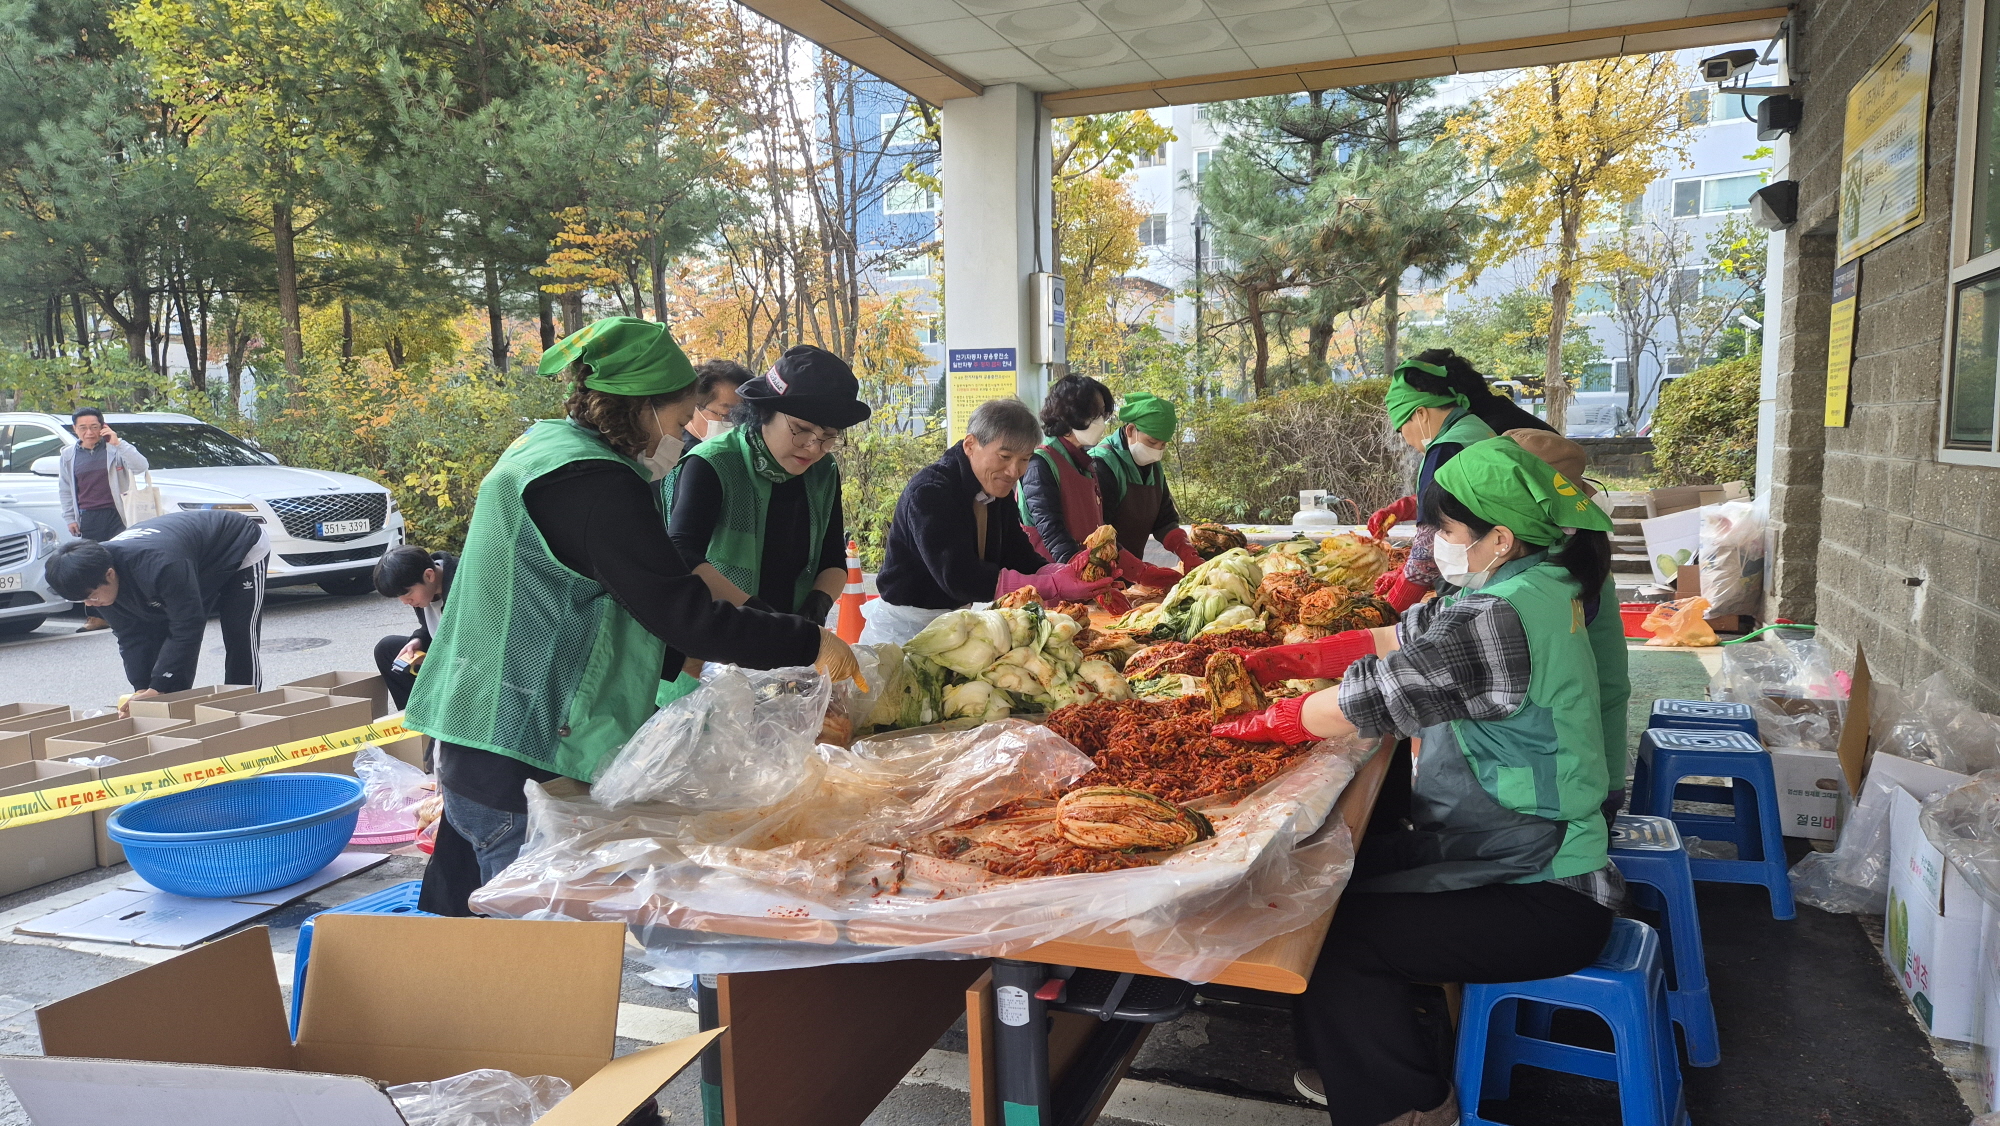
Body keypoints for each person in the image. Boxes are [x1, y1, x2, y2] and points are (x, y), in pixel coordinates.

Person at [1211, 438, 1622, 1126]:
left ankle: (1412, 1107)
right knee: (1324, 879)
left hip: (1547, 888)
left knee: (1334, 939)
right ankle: (1349, 1059)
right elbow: (1400, 639)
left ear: (1498, 536)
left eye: (1448, 529)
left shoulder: (1502, 615)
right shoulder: (1529, 583)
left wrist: (1273, 720)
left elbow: (1374, 700)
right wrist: (1288, 658)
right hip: (1509, 847)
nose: (1435, 542)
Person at [403, 316, 858, 915]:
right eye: (675, 422)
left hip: (477, 738)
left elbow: (625, 605)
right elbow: (681, 610)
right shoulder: (593, 482)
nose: (676, 438)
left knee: (462, 936)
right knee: (533, 967)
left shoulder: (548, 448)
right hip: (520, 751)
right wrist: (805, 642)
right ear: (643, 409)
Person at [862, 398, 1117, 645]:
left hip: (955, 625)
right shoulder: (931, 492)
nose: (1014, 471)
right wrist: (1052, 585)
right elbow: (960, 577)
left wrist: (1067, 573)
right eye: (1005, 457)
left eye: (1024, 459)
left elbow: (1020, 557)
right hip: (904, 630)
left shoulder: (995, 489)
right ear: (970, 445)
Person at [668, 346, 866, 628]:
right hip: (719, 631)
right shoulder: (712, 463)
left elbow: (832, 557)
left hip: (791, 634)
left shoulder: (823, 470)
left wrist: (819, 602)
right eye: (801, 428)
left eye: (828, 436)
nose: (813, 447)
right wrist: (753, 611)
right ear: (764, 411)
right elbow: (682, 553)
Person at [1367, 350, 1554, 612]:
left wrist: (1388, 612)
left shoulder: (1447, 447)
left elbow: (1427, 553)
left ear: (1420, 414)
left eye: (1402, 430)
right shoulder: (1475, 427)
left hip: (1483, 571)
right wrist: (1405, 509)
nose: (1406, 440)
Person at [43, 509, 271, 711]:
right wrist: (144, 690)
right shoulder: (96, 578)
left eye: (91, 596)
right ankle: (174, 709)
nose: (90, 605)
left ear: (110, 574)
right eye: (83, 600)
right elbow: (131, 636)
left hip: (237, 545)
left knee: (239, 631)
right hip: (191, 559)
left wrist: (161, 683)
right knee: (154, 646)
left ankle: (246, 705)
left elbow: (187, 626)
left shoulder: (160, 566)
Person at [1019, 376, 1180, 591]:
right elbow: (1053, 533)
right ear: (1070, 415)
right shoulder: (1040, 464)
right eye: (1095, 415)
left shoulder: (1086, 464)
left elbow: (1100, 535)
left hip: (1082, 588)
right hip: (1049, 589)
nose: (1101, 423)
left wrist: (1139, 571)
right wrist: (1084, 579)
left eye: (1102, 415)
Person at [1089, 392, 1204, 574]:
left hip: (1131, 574)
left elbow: (1164, 520)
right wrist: (1140, 571)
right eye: (1152, 441)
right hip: (1100, 573)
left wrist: (1186, 550)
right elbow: (1098, 534)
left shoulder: (1153, 467)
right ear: (1130, 430)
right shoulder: (1101, 464)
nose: (1157, 451)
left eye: (1163, 445)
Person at [58, 407, 150, 632]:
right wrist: (70, 517)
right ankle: (98, 616)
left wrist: (118, 442)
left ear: (103, 426)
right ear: (75, 429)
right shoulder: (68, 455)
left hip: (118, 513)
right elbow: (66, 489)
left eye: (94, 427)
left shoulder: (115, 449)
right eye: (83, 428)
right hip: (89, 516)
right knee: (91, 565)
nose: (89, 432)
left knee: (123, 561)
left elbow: (141, 466)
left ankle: (133, 610)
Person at [371, 544, 457, 711]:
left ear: (429, 575)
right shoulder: (425, 590)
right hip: (445, 653)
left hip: (473, 663)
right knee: (387, 649)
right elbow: (432, 625)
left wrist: (434, 660)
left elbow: (477, 646)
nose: (405, 602)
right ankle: (412, 718)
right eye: (399, 597)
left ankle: (436, 721)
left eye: (408, 594)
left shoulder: (463, 586)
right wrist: (418, 639)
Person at [681, 358, 752, 458]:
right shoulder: (670, 461)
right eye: (727, 415)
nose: (737, 425)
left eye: (743, 416)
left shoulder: (745, 457)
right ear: (692, 409)